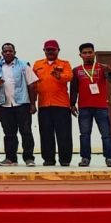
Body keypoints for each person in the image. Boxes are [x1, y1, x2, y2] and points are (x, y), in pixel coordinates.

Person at [0, 43, 39, 167]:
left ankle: (29, 158)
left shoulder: (24, 65)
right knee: (9, 134)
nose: (8, 53)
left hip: (22, 104)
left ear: (15, 52)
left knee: (26, 132)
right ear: (2, 53)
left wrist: (32, 104)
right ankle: (10, 159)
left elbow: (32, 85)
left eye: (10, 51)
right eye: (5, 51)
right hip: (5, 105)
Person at [70, 43, 111, 167]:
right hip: (84, 108)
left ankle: (109, 158)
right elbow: (74, 89)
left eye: (90, 52)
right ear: (80, 55)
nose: (88, 55)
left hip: (101, 107)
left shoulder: (102, 68)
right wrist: (72, 104)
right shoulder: (76, 70)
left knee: (106, 134)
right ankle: (85, 158)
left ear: (94, 53)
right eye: (85, 53)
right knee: (84, 135)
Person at [33, 39, 74, 167]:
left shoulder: (64, 64)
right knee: (46, 133)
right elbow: (33, 84)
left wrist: (59, 76)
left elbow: (69, 77)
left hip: (61, 105)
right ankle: (48, 159)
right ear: (44, 50)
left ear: (58, 50)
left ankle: (65, 159)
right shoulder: (38, 64)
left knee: (64, 134)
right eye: (48, 50)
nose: (50, 52)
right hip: (44, 104)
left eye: (53, 49)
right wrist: (32, 103)